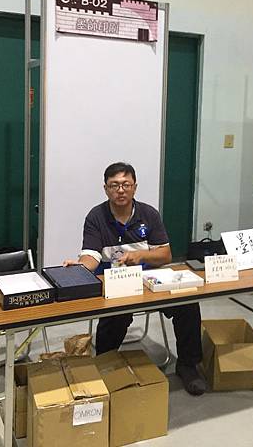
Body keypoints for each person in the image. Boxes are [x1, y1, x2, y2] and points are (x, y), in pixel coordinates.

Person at [63, 162, 206, 396]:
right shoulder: (96, 216)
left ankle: (188, 365)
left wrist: (141, 256)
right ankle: (105, 366)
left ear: (134, 187)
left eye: (126, 185)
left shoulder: (148, 214)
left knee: (187, 303)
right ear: (106, 188)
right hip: (115, 282)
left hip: (150, 280)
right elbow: (91, 256)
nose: (120, 190)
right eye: (114, 185)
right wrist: (78, 268)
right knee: (115, 315)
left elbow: (165, 255)